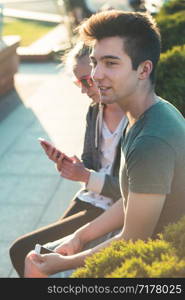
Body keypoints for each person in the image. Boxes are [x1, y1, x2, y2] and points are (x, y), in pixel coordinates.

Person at [24, 10, 185, 278]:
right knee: (35, 256)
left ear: (144, 69)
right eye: (95, 62)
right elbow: (130, 199)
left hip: (156, 265)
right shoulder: (147, 113)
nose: (96, 75)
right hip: (140, 243)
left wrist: (61, 265)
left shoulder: (152, 140)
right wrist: (78, 237)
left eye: (111, 63)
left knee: (37, 266)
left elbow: (134, 241)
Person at [9, 41, 127, 278]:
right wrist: (71, 165)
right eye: (78, 83)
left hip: (110, 209)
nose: (83, 89)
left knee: (25, 251)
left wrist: (85, 176)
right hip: (88, 199)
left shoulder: (134, 119)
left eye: (86, 80)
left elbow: (130, 192)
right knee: (36, 254)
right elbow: (89, 161)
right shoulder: (95, 111)